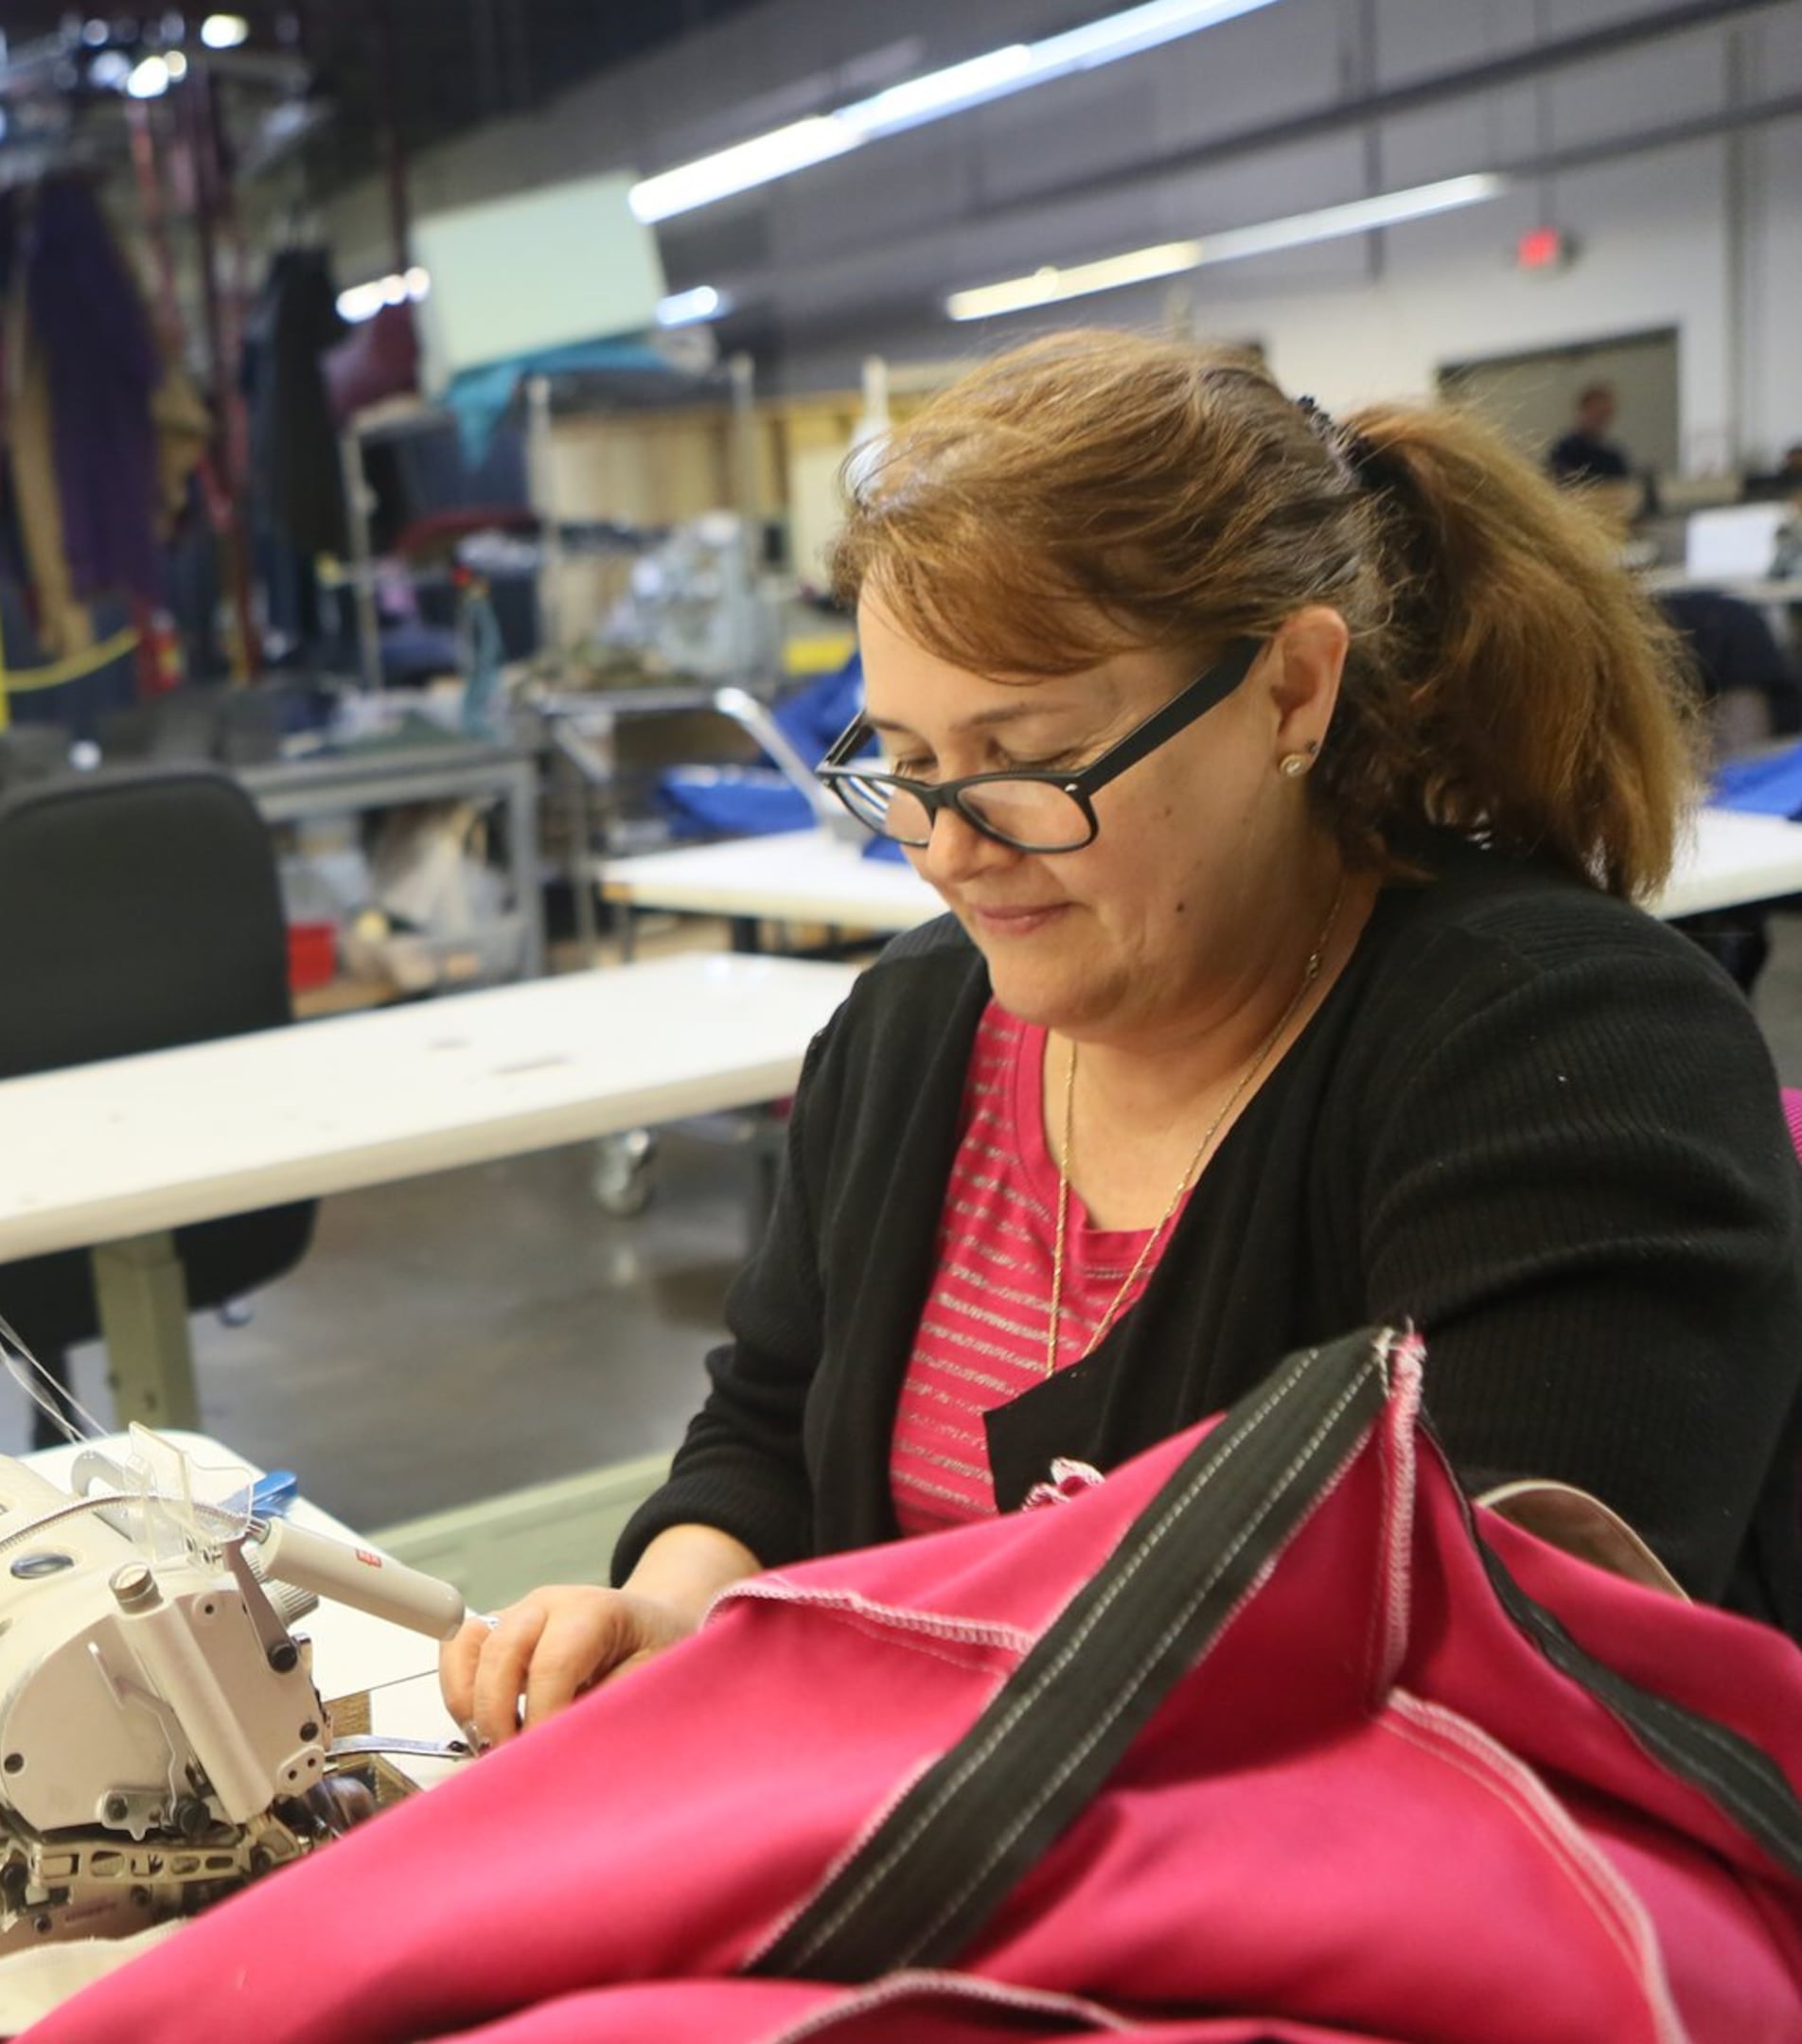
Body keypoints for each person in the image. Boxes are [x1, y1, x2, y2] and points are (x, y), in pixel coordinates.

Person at [444, 331, 1802, 1748]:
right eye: (906, 767)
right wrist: (682, 1608)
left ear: (1291, 692)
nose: (950, 851)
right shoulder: (913, 1035)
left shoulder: (1564, 1056)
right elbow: (773, 1430)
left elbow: (1489, 1709)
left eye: (1026, 757)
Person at [1547, 381, 1658, 513]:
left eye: (1605, 415)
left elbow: (1624, 491)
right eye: (1597, 413)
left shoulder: (1613, 456)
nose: (1600, 420)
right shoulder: (1564, 450)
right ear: (1583, 410)